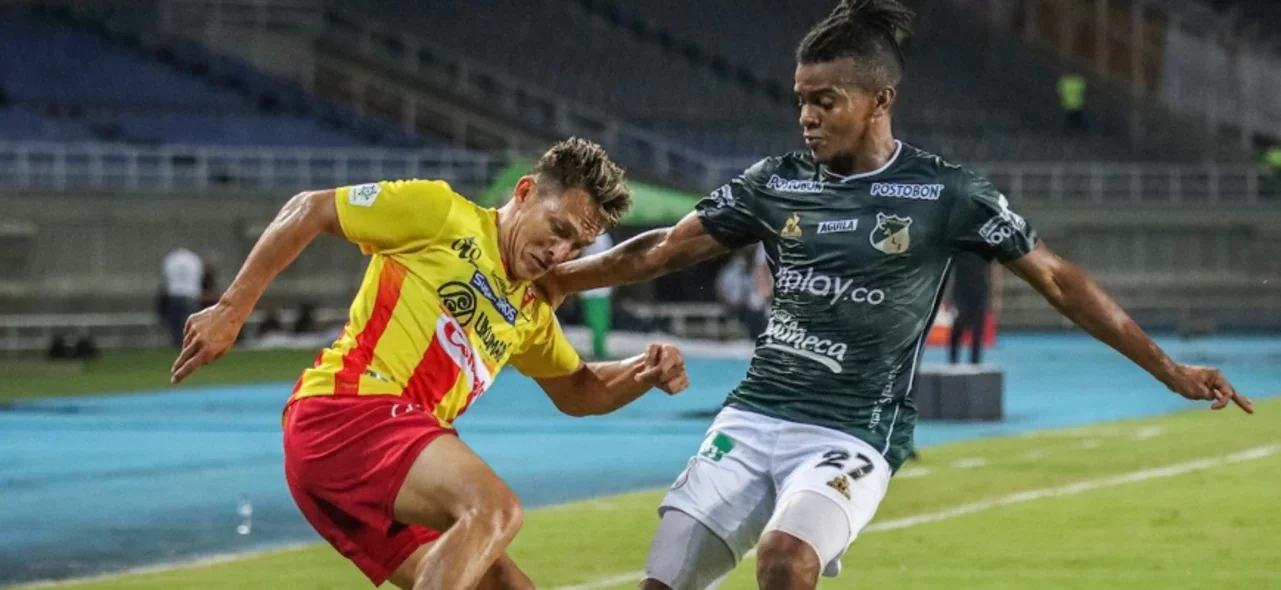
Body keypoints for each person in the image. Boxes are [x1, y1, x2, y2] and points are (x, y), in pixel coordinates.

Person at [545, 2, 1253, 589]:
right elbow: (663, 248)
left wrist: (1169, 369)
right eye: (801, 101)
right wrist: (554, 279)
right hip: (754, 416)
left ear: (880, 99)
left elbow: (1059, 280)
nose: (808, 117)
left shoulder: (946, 192)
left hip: (854, 430)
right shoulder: (774, 181)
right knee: (660, 583)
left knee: (785, 562)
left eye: (826, 100)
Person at [169, 138, 691, 590]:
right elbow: (310, 208)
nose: (560, 251)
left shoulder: (527, 309)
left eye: (575, 243)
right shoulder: (443, 214)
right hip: (345, 411)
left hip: (372, 465)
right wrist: (232, 308)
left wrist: (641, 373)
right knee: (495, 510)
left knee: (509, 586)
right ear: (525, 191)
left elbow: (580, 391)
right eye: (556, 228)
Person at [948, 251, 995, 365]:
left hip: (980, 290)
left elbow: (993, 269)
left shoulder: (985, 244)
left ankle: (975, 362)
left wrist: (995, 296)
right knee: (959, 323)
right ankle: (953, 359)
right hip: (961, 290)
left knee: (978, 328)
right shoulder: (959, 244)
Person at [578, 231, 615, 359]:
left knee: (600, 322)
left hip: (599, 288)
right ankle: (597, 348)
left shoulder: (601, 238)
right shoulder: (592, 237)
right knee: (594, 321)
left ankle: (599, 349)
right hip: (592, 287)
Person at [159, 247, 203, 347]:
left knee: (176, 323)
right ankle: (189, 343)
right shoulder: (193, 259)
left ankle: (178, 343)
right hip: (190, 295)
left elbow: (166, 278)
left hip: (174, 295)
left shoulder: (171, 260)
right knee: (189, 322)